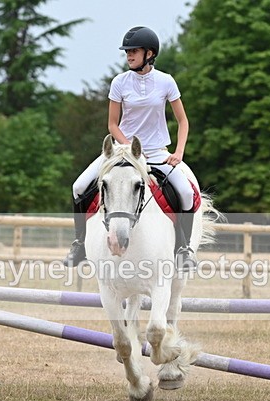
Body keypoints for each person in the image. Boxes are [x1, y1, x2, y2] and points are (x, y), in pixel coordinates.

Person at [64, 26, 199, 272]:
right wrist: (128, 148)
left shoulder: (166, 81)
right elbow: (112, 124)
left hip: (157, 152)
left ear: (150, 54)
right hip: (121, 151)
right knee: (79, 186)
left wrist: (178, 153)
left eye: (134, 51)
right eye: (127, 52)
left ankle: (183, 248)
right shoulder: (119, 82)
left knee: (187, 194)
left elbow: (183, 121)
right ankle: (79, 244)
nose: (129, 56)